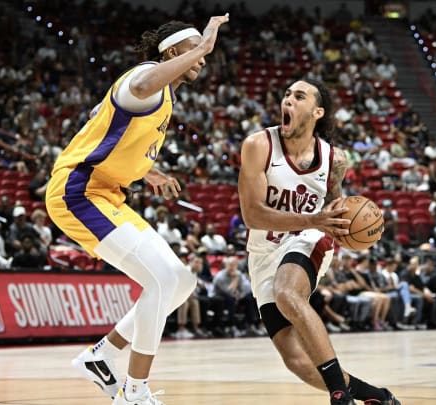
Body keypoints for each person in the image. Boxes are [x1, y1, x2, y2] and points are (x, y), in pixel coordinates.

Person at [45, 14, 229, 405]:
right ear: (172, 51)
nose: (202, 57)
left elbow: (102, 120)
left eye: (203, 50)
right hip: (78, 192)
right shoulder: (146, 77)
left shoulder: (161, 96)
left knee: (182, 281)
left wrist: (149, 172)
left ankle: (103, 355)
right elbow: (141, 85)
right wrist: (206, 41)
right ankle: (134, 392)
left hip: (107, 193)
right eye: (193, 48)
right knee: (161, 280)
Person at [238, 78, 400, 405]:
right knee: (296, 361)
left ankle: (339, 397)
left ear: (317, 112)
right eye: (286, 95)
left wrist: (347, 223)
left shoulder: (334, 160)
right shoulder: (258, 145)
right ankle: (377, 397)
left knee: (287, 293)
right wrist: (314, 217)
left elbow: (336, 209)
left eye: (299, 96)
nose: (288, 101)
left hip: (309, 237)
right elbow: (253, 215)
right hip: (264, 249)